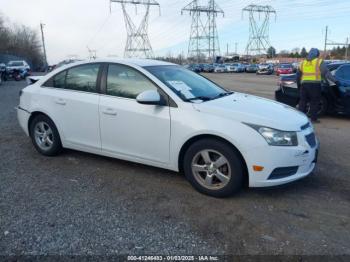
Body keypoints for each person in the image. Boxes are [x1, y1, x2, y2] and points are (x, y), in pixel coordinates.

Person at [297, 48, 337, 123]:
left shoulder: (302, 62)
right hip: (314, 85)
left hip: (304, 85)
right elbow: (326, 73)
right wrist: (335, 81)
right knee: (314, 102)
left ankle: (299, 119)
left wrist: (299, 85)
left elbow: (298, 75)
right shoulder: (319, 61)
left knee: (302, 101)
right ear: (317, 54)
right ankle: (313, 119)